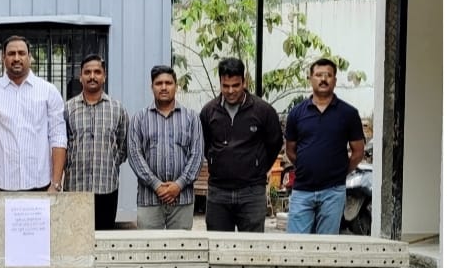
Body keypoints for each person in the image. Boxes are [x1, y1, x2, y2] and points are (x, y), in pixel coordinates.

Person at [199, 57, 284, 232]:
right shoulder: (209, 112)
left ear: (244, 82)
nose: (230, 91)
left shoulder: (263, 111)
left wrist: (258, 167)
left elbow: (274, 144)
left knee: (252, 245)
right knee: (218, 244)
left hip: (252, 193)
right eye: (225, 86)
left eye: (236, 85)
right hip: (218, 192)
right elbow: (205, 145)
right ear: (220, 83)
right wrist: (218, 162)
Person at [0, 35, 67, 193]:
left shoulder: (48, 91)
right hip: (2, 185)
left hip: (41, 185)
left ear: (29, 57)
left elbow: (58, 137)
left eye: (21, 53)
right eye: (11, 54)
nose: (16, 58)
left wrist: (56, 184)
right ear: (3, 58)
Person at [285, 58, 366, 234]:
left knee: (327, 244)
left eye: (328, 75)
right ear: (310, 78)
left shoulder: (348, 114)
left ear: (335, 80)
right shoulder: (296, 113)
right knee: (295, 243)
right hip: (302, 190)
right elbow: (290, 150)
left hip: (333, 192)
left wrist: (341, 171)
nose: (323, 79)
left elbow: (358, 152)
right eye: (318, 75)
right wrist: (306, 166)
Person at [127, 65, 204, 230]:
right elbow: (134, 155)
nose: (163, 87)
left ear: (176, 86)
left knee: (181, 246)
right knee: (149, 246)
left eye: (168, 83)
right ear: (152, 87)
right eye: (158, 83)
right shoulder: (139, 119)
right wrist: (156, 185)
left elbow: (197, 155)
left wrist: (179, 185)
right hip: (149, 199)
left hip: (182, 199)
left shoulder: (192, 118)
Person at [63, 54, 129, 230]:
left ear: (104, 76)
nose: (92, 76)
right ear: (80, 77)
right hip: (75, 189)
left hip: (106, 187)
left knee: (103, 239)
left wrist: (110, 163)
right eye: (87, 72)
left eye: (97, 72)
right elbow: (62, 146)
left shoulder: (117, 109)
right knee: (75, 239)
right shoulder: (68, 109)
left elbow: (123, 147)